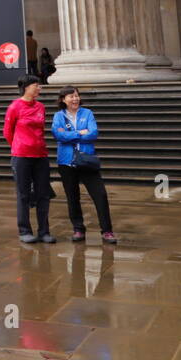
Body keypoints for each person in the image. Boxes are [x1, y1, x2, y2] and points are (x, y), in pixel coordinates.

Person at [52, 86, 116, 244]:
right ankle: (78, 229)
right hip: (66, 162)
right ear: (63, 100)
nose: (75, 99)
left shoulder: (87, 113)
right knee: (72, 197)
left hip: (87, 160)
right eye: (71, 96)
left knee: (100, 195)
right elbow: (58, 135)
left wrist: (71, 136)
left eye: (76, 96)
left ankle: (107, 231)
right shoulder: (58, 116)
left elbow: (93, 133)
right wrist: (79, 133)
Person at [3, 75, 54, 244]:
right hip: (22, 156)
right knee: (23, 195)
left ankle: (44, 231)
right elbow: (7, 132)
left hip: (41, 155)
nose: (39, 89)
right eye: (37, 86)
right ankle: (24, 230)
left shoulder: (40, 107)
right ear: (26, 87)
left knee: (43, 194)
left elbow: (42, 128)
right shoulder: (14, 107)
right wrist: (19, 146)